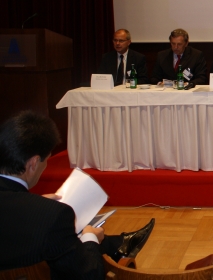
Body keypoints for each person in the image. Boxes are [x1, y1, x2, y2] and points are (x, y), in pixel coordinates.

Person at [0, 111, 154, 279]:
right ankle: (118, 246)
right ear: (34, 163)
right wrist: (90, 237)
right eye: (47, 160)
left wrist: (36, 203)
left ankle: (120, 244)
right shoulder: (53, 214)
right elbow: (91, 275)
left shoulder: (41, 210)